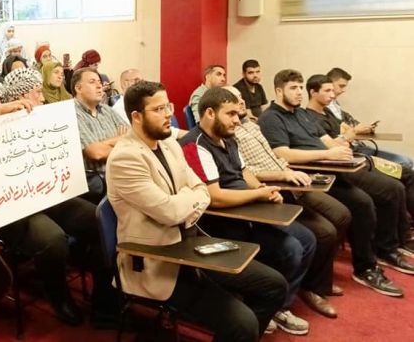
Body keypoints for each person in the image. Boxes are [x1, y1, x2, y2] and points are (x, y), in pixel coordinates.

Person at [107, 81, 287, 341]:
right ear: (136, 116)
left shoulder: (169, 144)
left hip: (190, 244)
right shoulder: (125, 158)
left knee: (274, 285)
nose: (168, 114)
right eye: (158, 109)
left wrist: (184, 200)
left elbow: (202, 189)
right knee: (242, 323)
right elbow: (170, 212)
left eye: (168, 106)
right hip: (157, 258)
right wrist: (188, 198)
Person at [0, 67, 117, 327]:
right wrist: (1, 110)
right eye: (37, 92)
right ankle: (58, 296)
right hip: (13, 204)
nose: (42, 97)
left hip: (47, 193)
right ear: (21, 95)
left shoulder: (42, 116)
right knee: (53, 239)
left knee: (100, 222)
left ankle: (104, 301)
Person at [259, 69, 408, 296]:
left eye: (300, 87)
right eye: (293, 88)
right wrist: (327, 155)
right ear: (279, 91)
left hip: (335, 166)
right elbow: (283, 154)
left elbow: (326, 140)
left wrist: (341, 149)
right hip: (311, 174)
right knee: (363, 203)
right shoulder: (271, 118)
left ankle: (383, 252)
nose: (299, 92)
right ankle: (366, 267)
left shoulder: (302, 115)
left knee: (388, 188)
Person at [180, 87, 314, 335]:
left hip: (248, 209)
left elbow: (244, 172)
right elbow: (215, 198)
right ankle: (262, 305)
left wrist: (262, 189)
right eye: (230, 114)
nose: (237, 119)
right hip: (221, 223)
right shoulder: (193, 145)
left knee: (307, 239)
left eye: (237, 113)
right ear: (209, 113)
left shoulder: (228, 137)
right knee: (291, 249)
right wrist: (259, 195)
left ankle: (277, 307)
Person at [227, 85, 351, 319]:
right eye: (234, 101)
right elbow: (245, 172)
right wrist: (280, 177)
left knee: (340, 216)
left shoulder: (252, 126)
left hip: (289, 179)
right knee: (321, 233)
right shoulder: (230, 134)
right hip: (275, 187)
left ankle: (315, 282)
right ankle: (300, 294)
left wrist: (291, 172)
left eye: (242, 99)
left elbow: (273, 158)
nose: (242, 102)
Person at [304, 74, 414, 255]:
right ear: (313, 92)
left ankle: (403, 236)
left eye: (333, 90)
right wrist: (349, 134)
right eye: (328, 90)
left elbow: (346, 131)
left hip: (358, 155)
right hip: (346, 164)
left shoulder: (327, 112)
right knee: (394, 187)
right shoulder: (308, 118)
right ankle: (392, 242)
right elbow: (335, 144)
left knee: (407, 173)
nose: (333, 94)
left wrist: (348, 134)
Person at [73, 67, 128, 201]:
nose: (99, 86)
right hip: (99, 180)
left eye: (99, 82)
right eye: (92, 82)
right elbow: (96, 153)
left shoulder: (107, 110)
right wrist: (119, 139)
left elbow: (132, 138)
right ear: (78, 88)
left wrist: (103, 143)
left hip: (122, 172)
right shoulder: (72, 113)